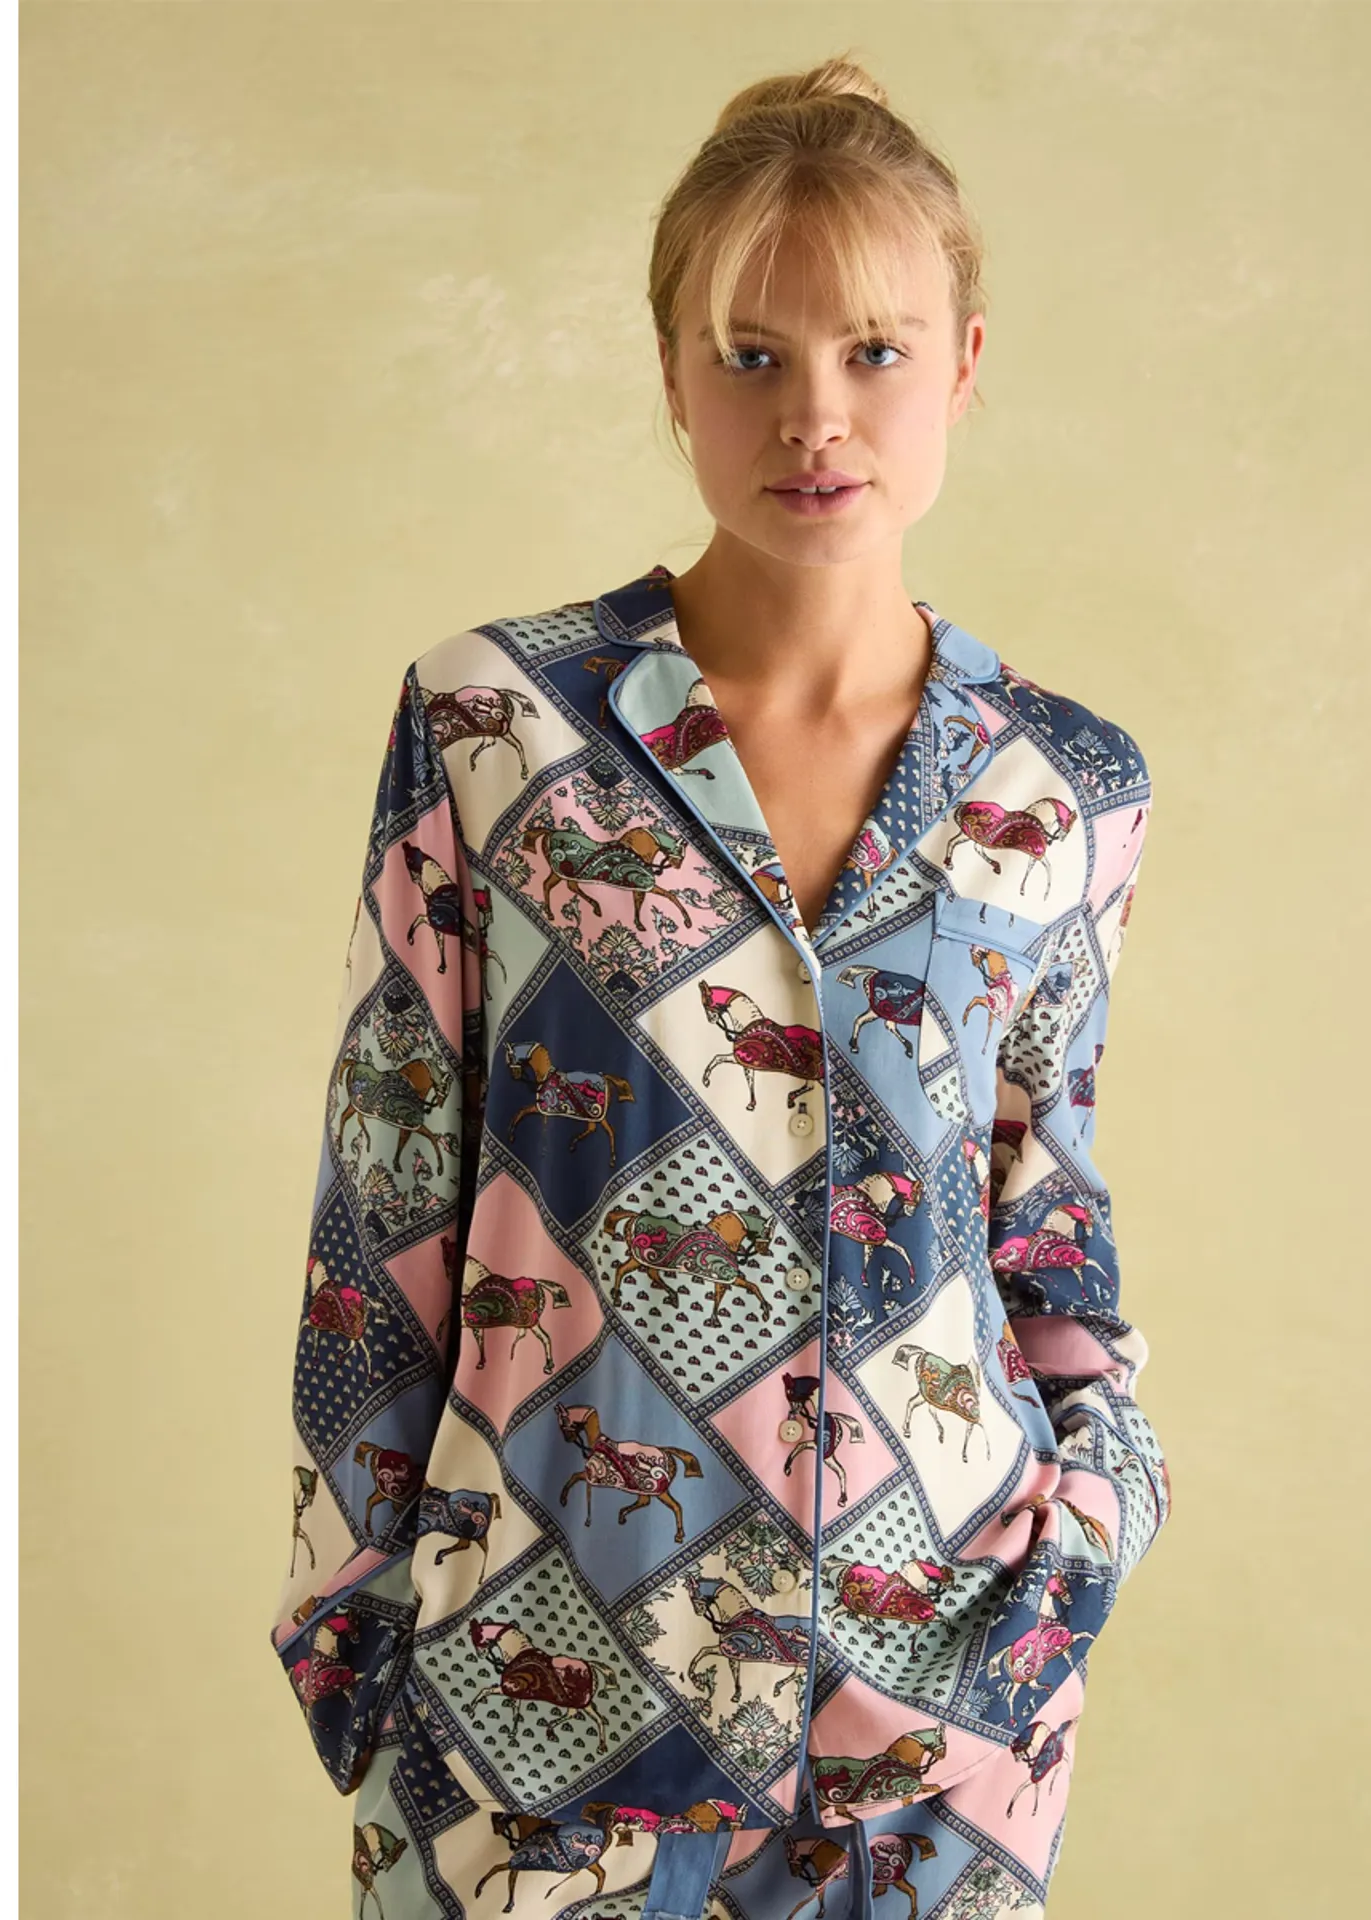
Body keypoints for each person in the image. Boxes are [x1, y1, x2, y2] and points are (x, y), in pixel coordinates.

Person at [268, 53, 1169, 1920]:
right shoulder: (499, 729)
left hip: (943, 1731)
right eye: (750, 355)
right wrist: (358, 1646)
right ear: (673, 376)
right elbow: (386, 1201)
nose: (814, 414)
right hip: (538, 1721)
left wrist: (1080, 1545)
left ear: (965, 367)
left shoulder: (1064, 788)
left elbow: (1047, 1227)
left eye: (874, 352)